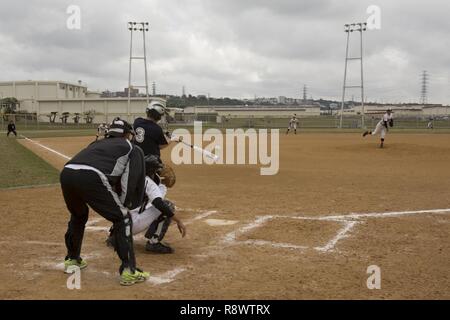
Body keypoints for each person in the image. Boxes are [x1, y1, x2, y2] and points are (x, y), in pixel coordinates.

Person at [60, 118, 149, 286]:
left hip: (67, 172)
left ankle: (72, 259)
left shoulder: (95, 144)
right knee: (123, 218)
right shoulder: (131, 148)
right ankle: (129, 271)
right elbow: (129, 182)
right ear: (127, 134)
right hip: (92, 176)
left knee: (78, 216)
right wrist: (124, 206)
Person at [106, 155, 186, 254]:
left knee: (128, 207)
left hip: (118, 223)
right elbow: (158, 203)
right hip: (132, 224)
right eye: (157, 170)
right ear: (151, 171)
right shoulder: (149, 182)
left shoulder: (128, 176)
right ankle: (154, 242)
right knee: (168, 205)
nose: (159, 172)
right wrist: (178, 221)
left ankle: (115, 237)